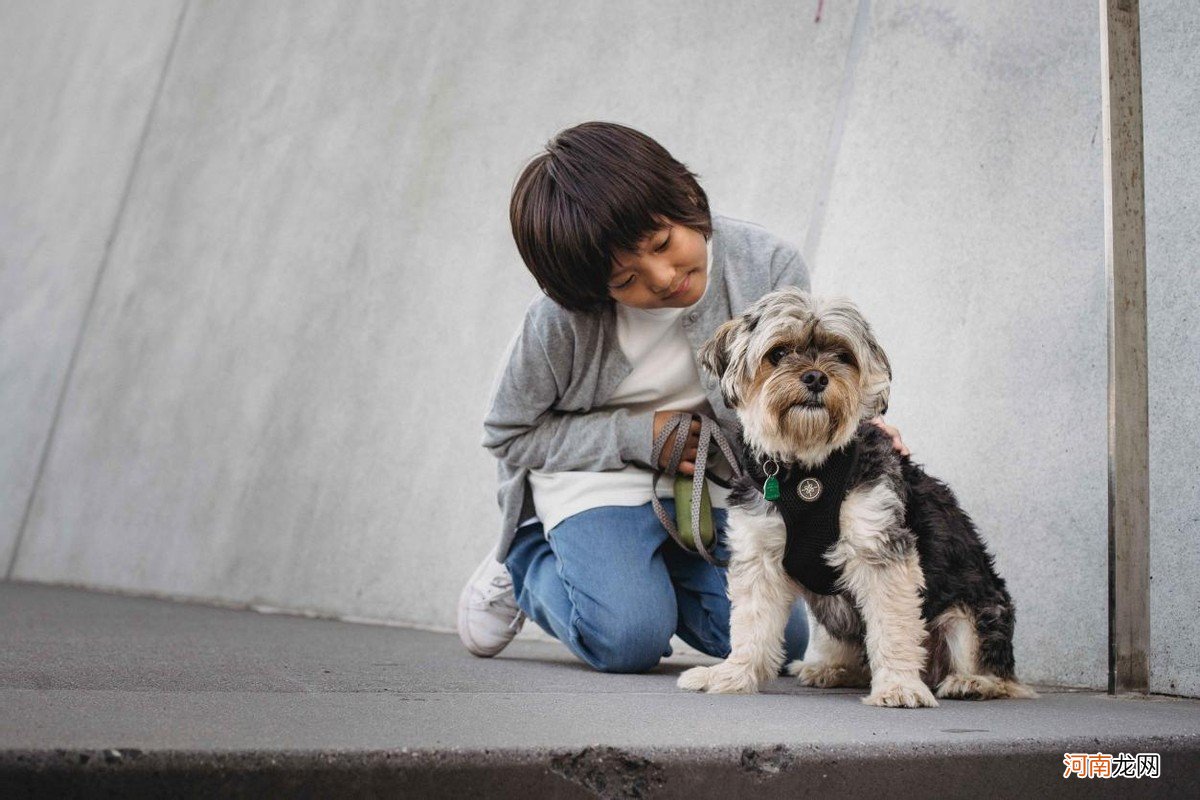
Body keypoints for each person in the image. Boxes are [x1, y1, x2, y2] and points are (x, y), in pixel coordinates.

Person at [458, 121, 909, 673]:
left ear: (689, 198)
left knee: (780, 642)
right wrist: (635, 437)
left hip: (708, 479)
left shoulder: (767, 264)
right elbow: (507, 433)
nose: (663, 276)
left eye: (663, 244)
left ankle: (640, 568)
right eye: (625, 280)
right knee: (627, 640)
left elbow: (793, 381)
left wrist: (860, 430)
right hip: (592, 476)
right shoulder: (557, 323)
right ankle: (527, 561)